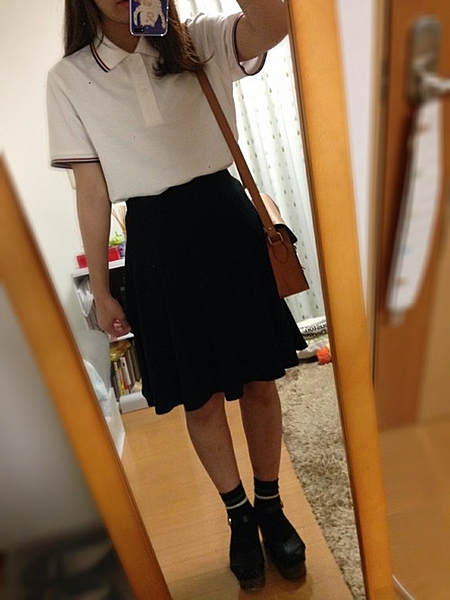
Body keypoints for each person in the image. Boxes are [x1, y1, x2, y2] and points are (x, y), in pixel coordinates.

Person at [47, 0, 307, 591]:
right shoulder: (70, 78)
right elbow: (91, 190)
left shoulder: (200, 40)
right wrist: (104, 289)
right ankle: (240, 517)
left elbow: (276, 25)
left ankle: (271, 506)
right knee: (200, 396)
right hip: (156, 244)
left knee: (259, 380)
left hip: (226, 221)